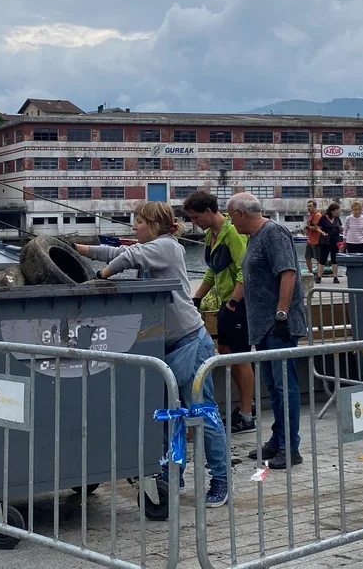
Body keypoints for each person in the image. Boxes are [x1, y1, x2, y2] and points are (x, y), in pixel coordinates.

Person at [75, 201, 229, 507]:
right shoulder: (151, 248)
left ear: (156, 225)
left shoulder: (167, 246)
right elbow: (120, 252)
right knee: (170, 416)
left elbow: (128, 256)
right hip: (165, 346)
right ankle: (173, 473)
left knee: (203, 413)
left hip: (189, 342)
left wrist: (101, 277)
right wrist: (80, 249)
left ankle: (221, 479)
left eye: (140, 222)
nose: (135, 227)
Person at [226, 192, 307, 469]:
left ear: (241, 214)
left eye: (231, 216)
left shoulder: (273, 233)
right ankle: (278, 438)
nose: (231, 222)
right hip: (262, 326)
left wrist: (282, 314)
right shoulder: (254, 237)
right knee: (273, 385)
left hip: (277, 325)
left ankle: (290, 447)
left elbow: (288, 273)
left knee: (285, 386)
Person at [183, 190, 255, 434]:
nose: (194, 223)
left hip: (239, 302)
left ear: (209, 211)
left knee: (240, 355)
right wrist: (197, 297)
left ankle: (247, 414)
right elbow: (212, 270)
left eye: (196, 217)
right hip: (226, 301)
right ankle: (246, 406)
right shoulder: (210, 235)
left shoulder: (232, 232)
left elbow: (244, 269)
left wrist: (234, 301)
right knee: (225, 351)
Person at [317, 202, 342, 283]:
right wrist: (322, 232)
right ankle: (319, 276)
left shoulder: (337, 218)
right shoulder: (323, 218)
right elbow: (318, 228)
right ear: (332, 211)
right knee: (323, 259)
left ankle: (335, 277)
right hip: (325, 241)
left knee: (334, 259)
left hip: (335, 240)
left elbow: (340, 227)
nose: (339, 212)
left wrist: (341, 230)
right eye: (337, 210)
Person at [304, 200, 323, 275]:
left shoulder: (318, 215)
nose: (308, 208)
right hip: (310, 240)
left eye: (310, 206)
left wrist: (308, 227)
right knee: (307, 257)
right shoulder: (310, 215)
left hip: (317, 241)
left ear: (315, 207)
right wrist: (307, 229)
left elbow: (318, 228)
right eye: (308, 206)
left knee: (318, 259)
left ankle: (318, 274)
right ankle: (310, 272)